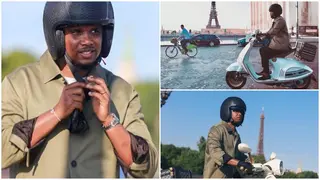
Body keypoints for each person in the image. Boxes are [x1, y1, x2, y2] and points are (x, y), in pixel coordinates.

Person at [2, 2, 158, 178]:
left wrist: (109, 121)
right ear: (58, 36)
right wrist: (56, 114)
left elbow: (147, 168)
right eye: (76, 32)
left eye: (95, 31)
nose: (87, 40)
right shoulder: (19, 83)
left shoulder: (122, 91)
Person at [203, 97, 253, 178]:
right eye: (236, 110)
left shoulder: (236, 135)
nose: (239, 114)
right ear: (227, 111)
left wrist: (249, 163)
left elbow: (239, 156)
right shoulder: (216, 130)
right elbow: (216, 152)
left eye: (241, 112)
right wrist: (238, 163)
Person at [257, 4, 290, 80]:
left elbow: (273, 32)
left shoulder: (280, 21)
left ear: (275, 12)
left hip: (281, 46)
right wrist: (261, 37)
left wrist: (262, 35)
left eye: (271, 12)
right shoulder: (276, 20)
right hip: (278, 44)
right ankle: (265, 70)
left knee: (263, 50)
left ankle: (266, 73)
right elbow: (270, 31)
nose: (270, 14)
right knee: (263, 49)